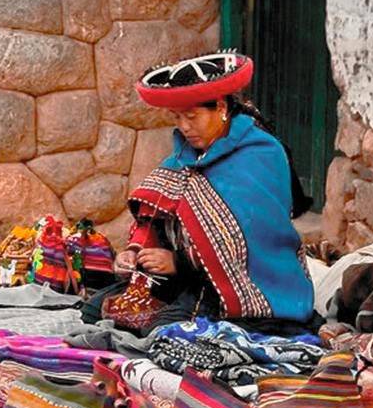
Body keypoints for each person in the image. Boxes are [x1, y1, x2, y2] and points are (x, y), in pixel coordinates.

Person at [83, 52, 317, 332]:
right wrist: (137, 250)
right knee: (94, 310)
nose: (184, 126)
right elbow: (156, 213)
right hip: (189, 279)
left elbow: (255, 239)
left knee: (163, 331)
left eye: (192, 116)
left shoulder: (261, 154)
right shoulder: (186, 155)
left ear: (220, 107)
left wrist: (179, 261)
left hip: (248, 286)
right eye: (177, 117)